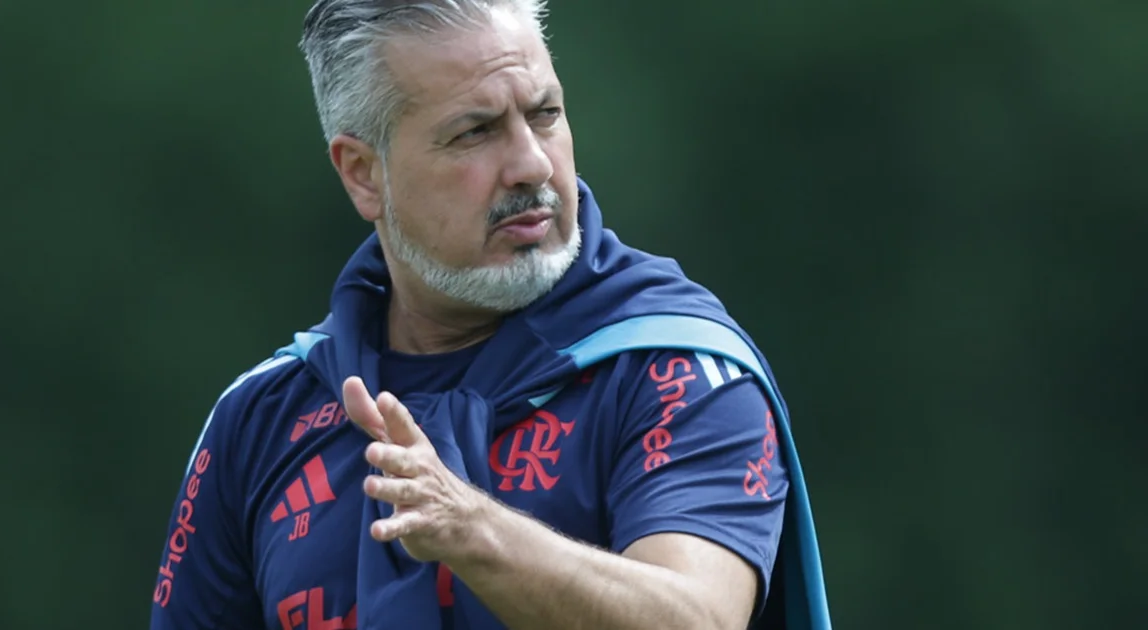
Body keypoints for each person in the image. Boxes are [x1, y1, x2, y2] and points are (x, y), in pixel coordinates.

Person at [148, 1, 831, 629]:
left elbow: (700, 620)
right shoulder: (260, 417)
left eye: (544, 114)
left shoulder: (674, 366)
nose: (531, 164)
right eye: (474, 132)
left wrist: (473, 530)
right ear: (363, 173)